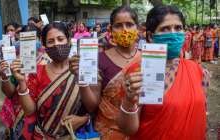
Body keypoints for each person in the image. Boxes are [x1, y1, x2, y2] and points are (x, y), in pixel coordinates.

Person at [117, 5, 210, 140]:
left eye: (178, 28)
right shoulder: (137, 73)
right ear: (150, 36)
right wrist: (129, 101)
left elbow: (201, 117)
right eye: (165, 28)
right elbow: (128, 130)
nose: (173, 33)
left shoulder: (198, 70)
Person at [70, 6, 139, 139]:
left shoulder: (148, 60)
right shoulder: (100, 59)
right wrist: (81, 77)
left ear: (137, 28)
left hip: (140, 131)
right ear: (110, 30)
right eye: (118, 25)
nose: (124, 30)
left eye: (129, 24)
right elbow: (92, 106)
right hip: (106, 132)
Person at [11, 22, 89, 139]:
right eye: (50, 41)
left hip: (75, 136)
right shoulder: (37, 72)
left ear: (68, 40)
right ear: (45, 46)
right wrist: (22, 82)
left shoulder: (82, 67)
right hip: (42, 136)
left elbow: (96, 106)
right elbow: (29, 111)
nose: (56, 44)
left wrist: (84, 119)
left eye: (60, 39)